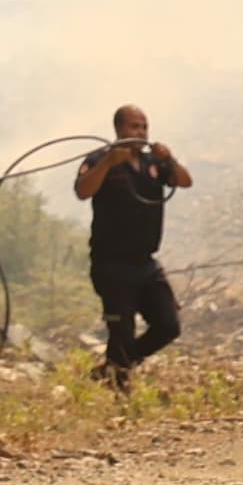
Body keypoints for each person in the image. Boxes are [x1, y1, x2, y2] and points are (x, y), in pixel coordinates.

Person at [76, 106, 193, 383]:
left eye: (144, 127)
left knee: (168, 325)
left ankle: (112, 369)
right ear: (119, 130)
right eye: (134, 127)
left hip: (145, 263)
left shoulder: (154, 161)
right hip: (111, 264)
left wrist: (171, 159)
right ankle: (119, 390)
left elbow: (185, 181)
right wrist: (107, 164)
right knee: (121, 331)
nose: (140, 133)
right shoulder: (99, 159)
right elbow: (83, 190)